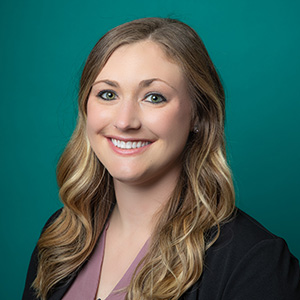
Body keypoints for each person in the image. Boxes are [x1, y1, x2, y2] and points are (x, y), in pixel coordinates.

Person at [22, 17, 300, 300]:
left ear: (198, 116)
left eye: (154, 97)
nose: (125, 121)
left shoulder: (254, 262)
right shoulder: (60, 238)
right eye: (108, 94)